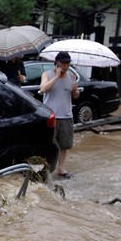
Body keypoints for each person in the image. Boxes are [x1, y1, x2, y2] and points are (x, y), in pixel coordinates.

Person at [39, 51, 80, 179]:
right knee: (48, 143)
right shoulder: (47, 74)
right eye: (63, 63)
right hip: (51, 116)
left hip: (66, 115)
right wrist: (56, 76)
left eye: (68, 63)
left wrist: (75, 90)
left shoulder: (72, 76)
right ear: (57, 62)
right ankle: (44, 168)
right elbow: (43, 89)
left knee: (64, 144)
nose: (66, 66)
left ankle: (61, 168)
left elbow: (75, 96)